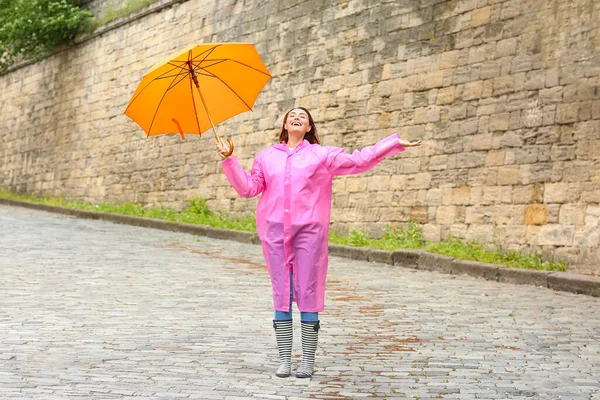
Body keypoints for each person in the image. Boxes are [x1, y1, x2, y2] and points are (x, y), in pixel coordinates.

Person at [216, 107, 421, 379]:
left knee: (309, 292)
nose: (296, 117)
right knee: (281, 292)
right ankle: (285, 360)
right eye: (291, 115)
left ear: (310, 125)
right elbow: (248, 188)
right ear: (285, 124)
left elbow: (359, 160)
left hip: (309, 233)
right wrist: (230, 160)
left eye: (302, 115)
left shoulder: (322, 155)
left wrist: (391, 143)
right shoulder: (266, 156)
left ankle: (307, 361)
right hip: (275, 232)